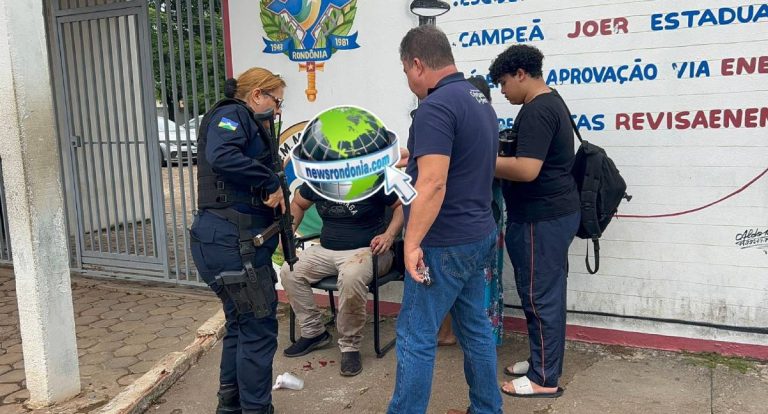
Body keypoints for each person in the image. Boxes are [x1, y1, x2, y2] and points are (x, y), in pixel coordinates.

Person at [387, 26, 502, 414]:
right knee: (475, 329)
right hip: (478, 232)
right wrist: (413, 156)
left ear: (417, 64)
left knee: (415, 335)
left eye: (405, 72)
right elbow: (458, 159)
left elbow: (434, 183)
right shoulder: (476, 98)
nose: (408, 81)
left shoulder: (434, 108)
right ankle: (488, 408)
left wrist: (412, 242)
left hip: (444, 241)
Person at [189, 67, 286, 414]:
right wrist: (269, 182)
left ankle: (230, 405)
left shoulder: (246, 121)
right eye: (276, 102)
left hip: (224, 240)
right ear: (257, 94)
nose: (277, 111)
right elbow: (223, 156)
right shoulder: (233, 114)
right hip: (234, 243)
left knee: (240, 323)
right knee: (258, 328)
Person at [489, 44, 581, 398]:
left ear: (521, 75)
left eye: (503, 83)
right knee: (543, 294)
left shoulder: (539, 110)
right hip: (550, 215)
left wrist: (483, 158)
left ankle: (544, 378)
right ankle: (542, 359)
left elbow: (527, 169)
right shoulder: (549, 101)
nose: (502, 91)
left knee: (540, 297)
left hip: (540, 219)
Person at [280, 182, 403, 376]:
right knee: (290, 270)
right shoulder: (319, 178)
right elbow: (298, 204)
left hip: (371, 250)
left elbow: (401, 206)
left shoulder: (372, 177)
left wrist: (389, 235)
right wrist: (288, 232)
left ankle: (350, 346)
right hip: (327, 250)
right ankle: (314, 332)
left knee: (351, 276)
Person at [437, 75, 506, 348]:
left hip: (462, 223)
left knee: (454, 286)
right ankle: (482, 335)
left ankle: (461, 334)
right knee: (480, 285)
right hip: (485, 220)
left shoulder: (460, 123)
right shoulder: (489, 121)